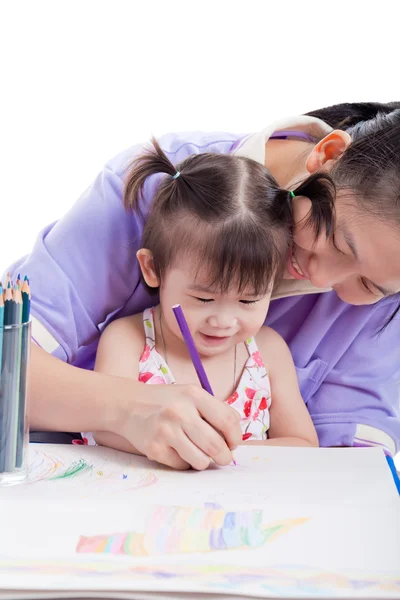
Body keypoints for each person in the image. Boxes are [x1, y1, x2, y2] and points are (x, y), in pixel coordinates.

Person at [6, 101, 400, 470]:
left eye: (369, 284)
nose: (321, 280)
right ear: (327, 154)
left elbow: (354, 461)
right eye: (333, 240)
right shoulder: (160, 188)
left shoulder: (379, 302)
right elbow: (11, 359)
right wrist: (127, 410)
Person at [89, 139, 327, 464]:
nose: (224, 320)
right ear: (152, 268)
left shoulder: (267, 352)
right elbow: (106, 428)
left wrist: (223, 453)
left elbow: (303, 443)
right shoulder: (128, 340)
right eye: (204, 298)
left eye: (248, 301)